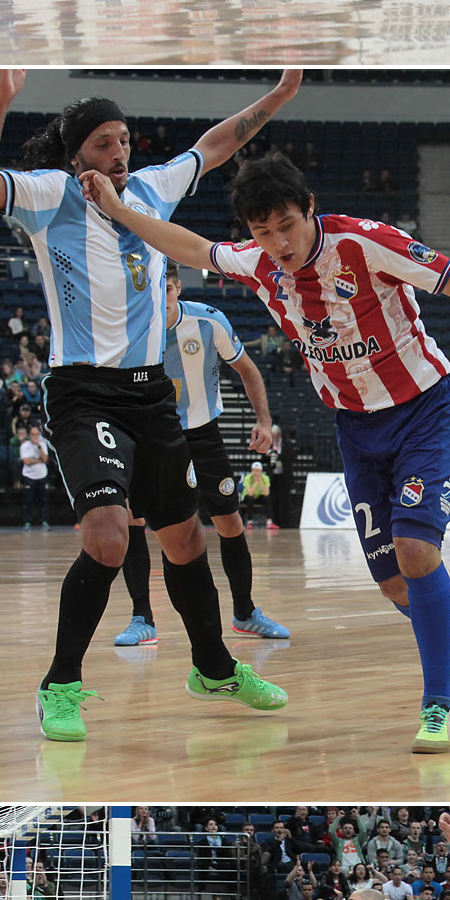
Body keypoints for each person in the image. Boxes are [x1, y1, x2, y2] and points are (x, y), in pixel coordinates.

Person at [81, 144, 450, 751]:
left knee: (416, 550)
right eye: (263, 232)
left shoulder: (364, 244)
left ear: (309, 208)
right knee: (395, 584)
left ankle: (436, 704)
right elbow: (187, 245)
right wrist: (117, 208)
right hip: (356, 428)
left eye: (286, 225)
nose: (278, 242)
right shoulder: (258, 263)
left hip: (426, 408)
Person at [0, 68, 298, 740]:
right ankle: (60, 683)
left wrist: (280, 95)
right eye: (106, 144)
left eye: (125, 141)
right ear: (79, 152)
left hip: (150, 391)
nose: (120, 154)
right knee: (110, 538)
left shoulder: (146, 190)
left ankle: (213, 668)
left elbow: (216, 144)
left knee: (184, 536)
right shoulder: (50, 195)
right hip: (84, 391)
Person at [159, 261, 289, 641]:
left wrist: (264, 422)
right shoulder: (133, 326)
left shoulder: (208, 321)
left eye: (166, 288)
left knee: (230, 524)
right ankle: (143, 619)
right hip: (157, 440)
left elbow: (248, 370)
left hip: (203, 435)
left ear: (178, 288)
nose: (161, 297)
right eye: (153, 287)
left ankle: (245, 612)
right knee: (166, 531)